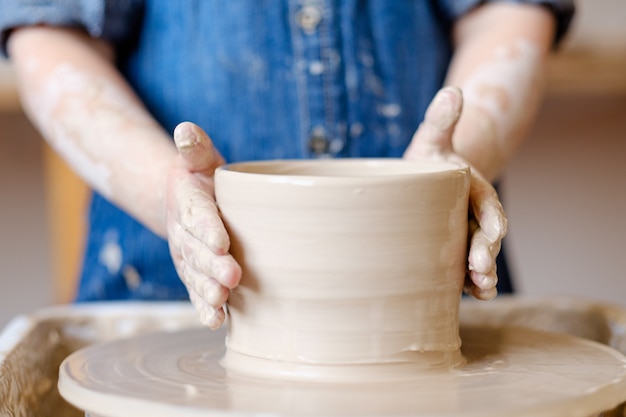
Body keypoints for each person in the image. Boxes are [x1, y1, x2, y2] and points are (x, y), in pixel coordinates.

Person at [0, 1, 574, 329]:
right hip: (168, 300)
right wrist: (167, 191)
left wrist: (450, 166)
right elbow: (50, 36)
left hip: (425, 305)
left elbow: (509, 14)